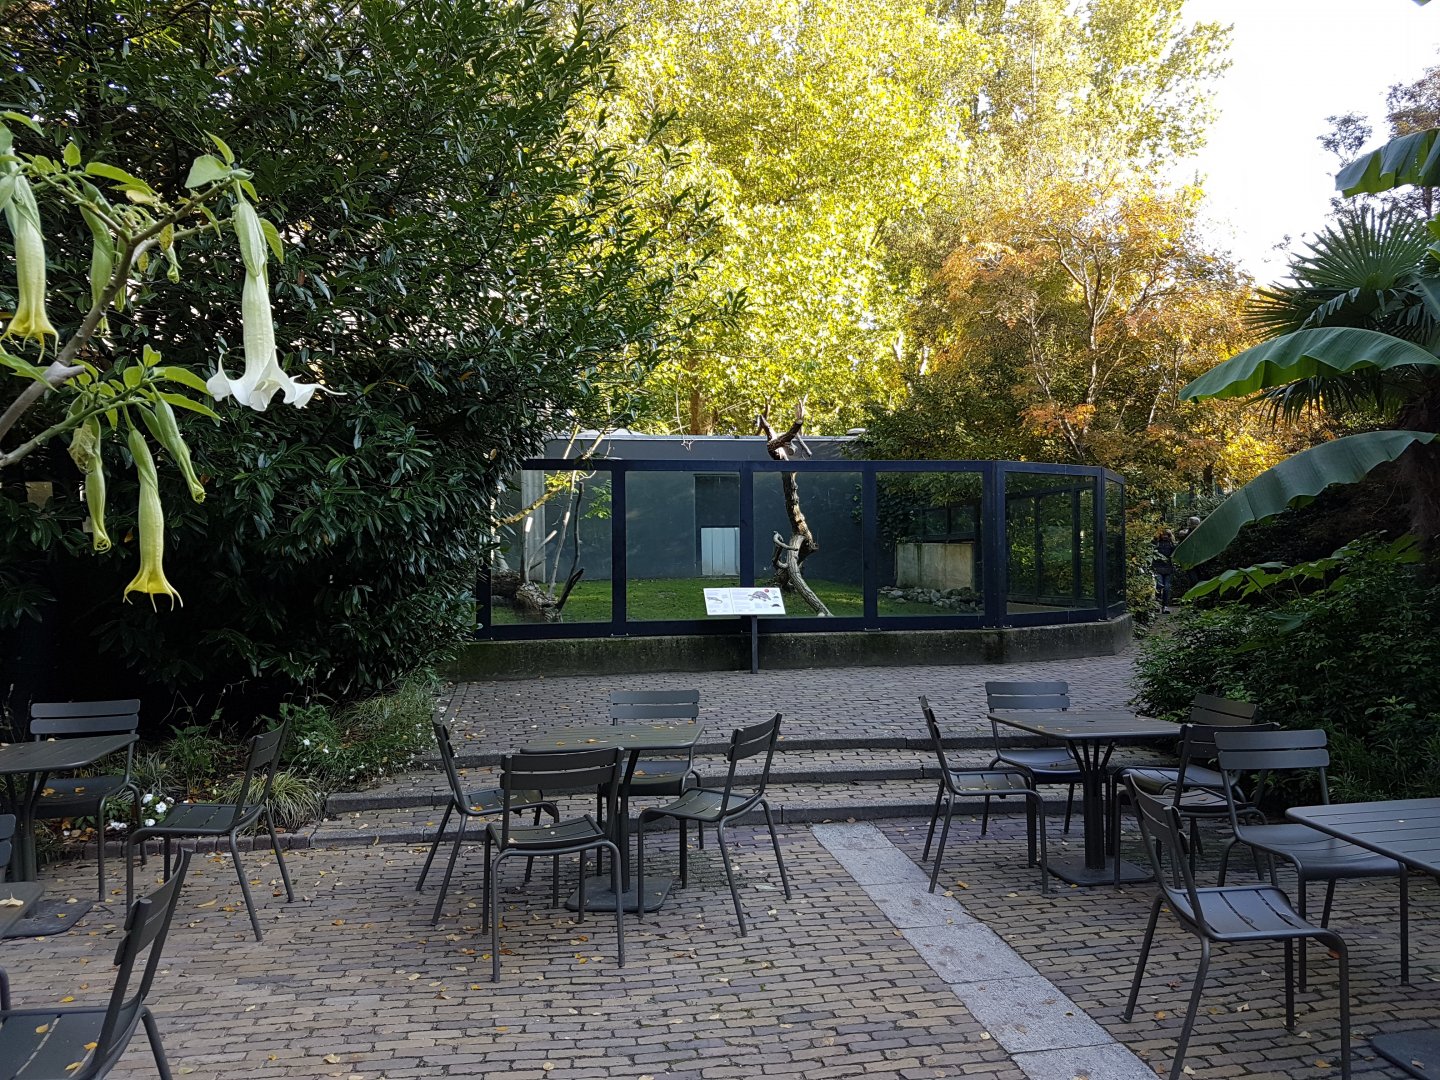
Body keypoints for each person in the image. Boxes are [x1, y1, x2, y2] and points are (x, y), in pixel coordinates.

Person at [1152, 527, 1176, 613]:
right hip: (1158, 567)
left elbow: (1175, 552)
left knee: (1167, 588)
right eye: (1163, 535)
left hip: (1168, 569)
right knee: (1159, 586)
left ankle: (1165, 606)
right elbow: (1151, 546)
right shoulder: (1157, 543)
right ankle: (1157, 605)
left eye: (1167, 535)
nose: (1165, 536)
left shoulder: (1171, 544)